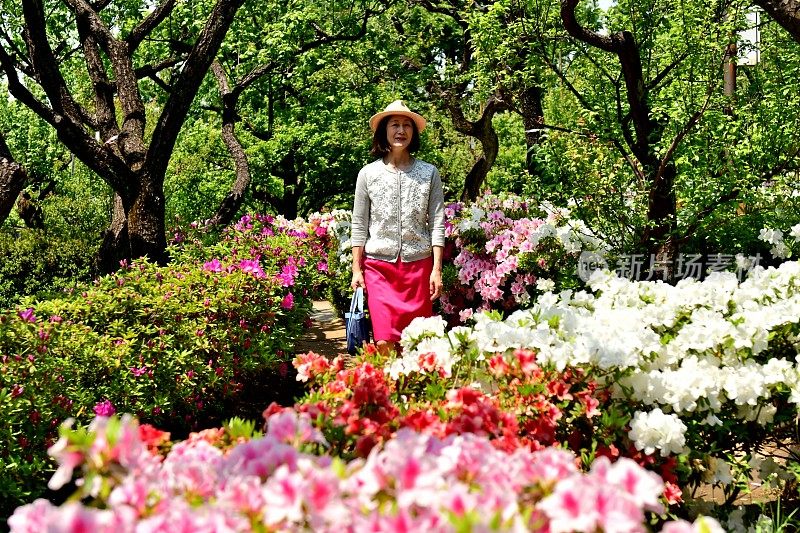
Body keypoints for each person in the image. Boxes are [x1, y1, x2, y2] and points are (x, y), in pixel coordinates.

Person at [350, 100, 445, 356]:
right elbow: (359, 225)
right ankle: (388, 394)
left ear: (413, 133)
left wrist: (436, 270)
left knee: (417, 345)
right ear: (384, 131)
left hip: (419, 268)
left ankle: (410, 395)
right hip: (379, 269)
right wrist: (356, 269)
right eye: (394, 125)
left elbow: (437, 223)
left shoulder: (429, 173)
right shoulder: (367, 174)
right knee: (383, 343)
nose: (400, 130)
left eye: (406, 125)